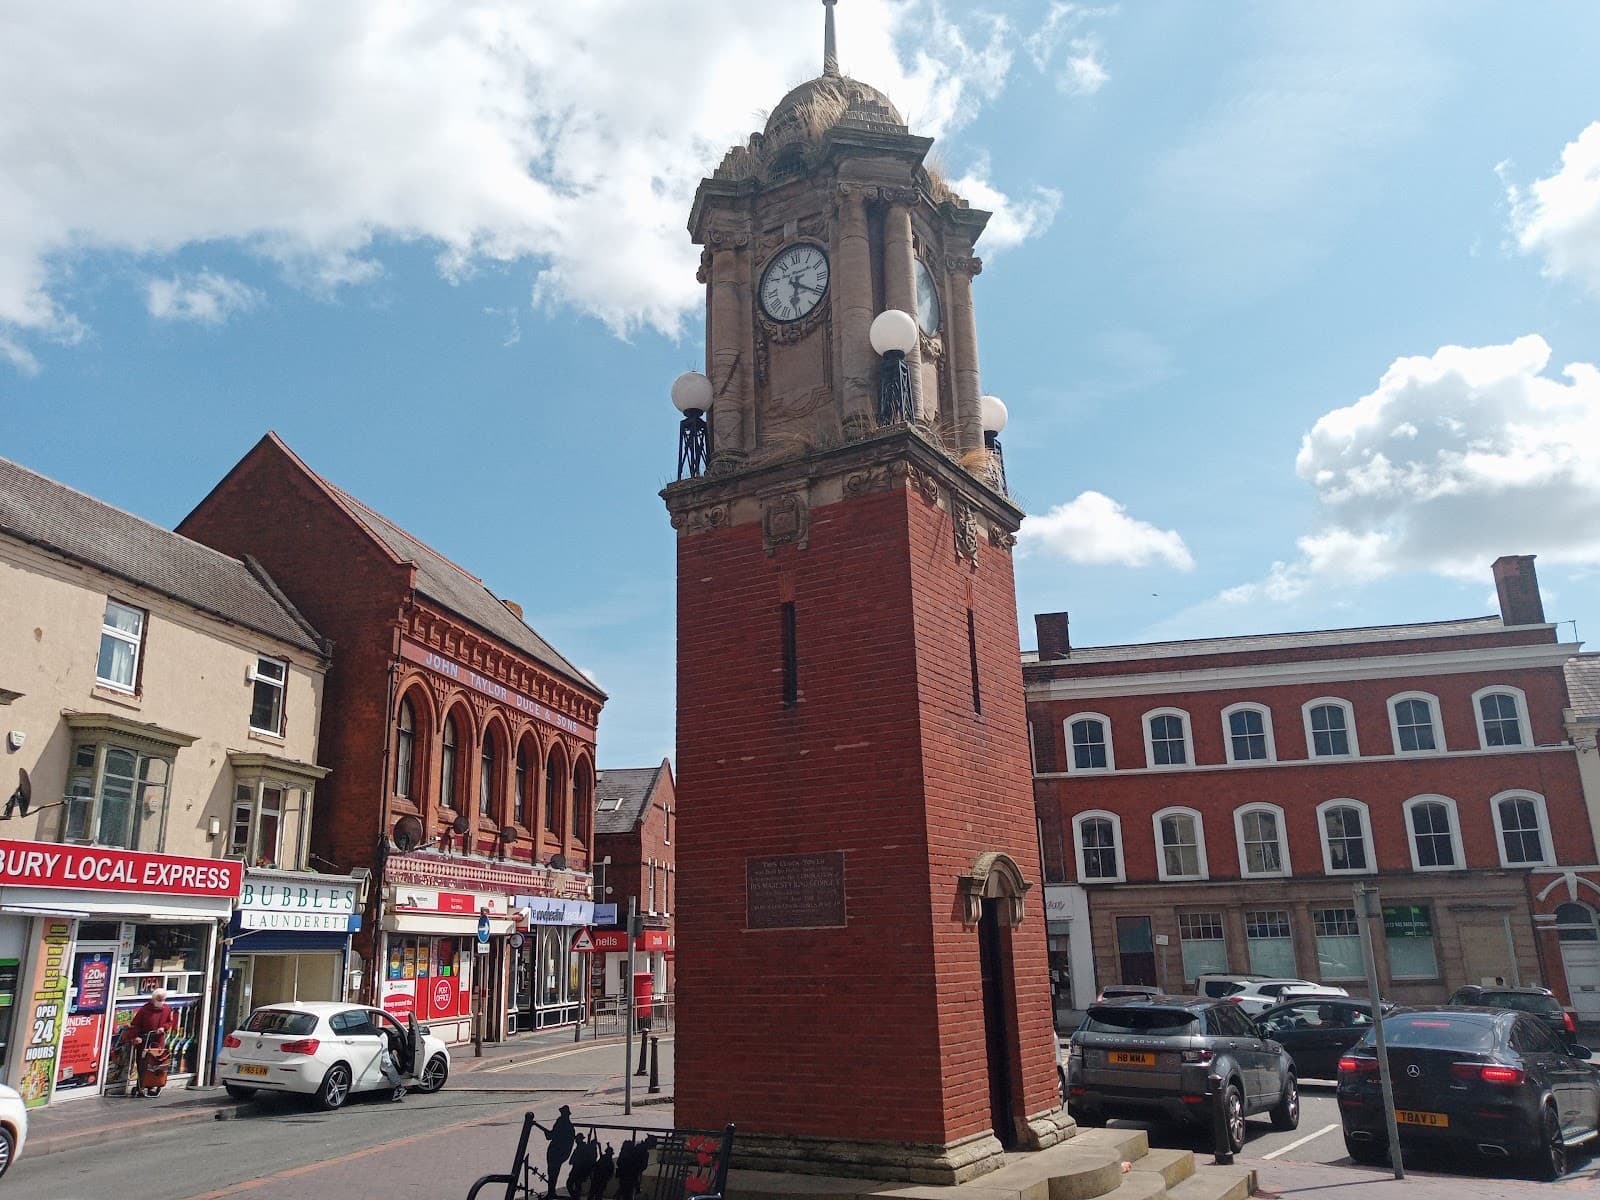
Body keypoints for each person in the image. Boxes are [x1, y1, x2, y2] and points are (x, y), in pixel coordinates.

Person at [124, 989, 178, 1097]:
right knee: (143, 1063)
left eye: (163, 1000)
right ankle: (141, 1086)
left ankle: (153, 1085)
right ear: (153, 999)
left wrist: (164, 1028)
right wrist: (136, 1037)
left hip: (158, 1040)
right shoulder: (144, 1010)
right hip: (145, 1039)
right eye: (159, 1000)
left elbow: (169, 1022)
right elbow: (136, 1025)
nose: (161, 1002)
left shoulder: (167, 1009)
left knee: (156, 1063)